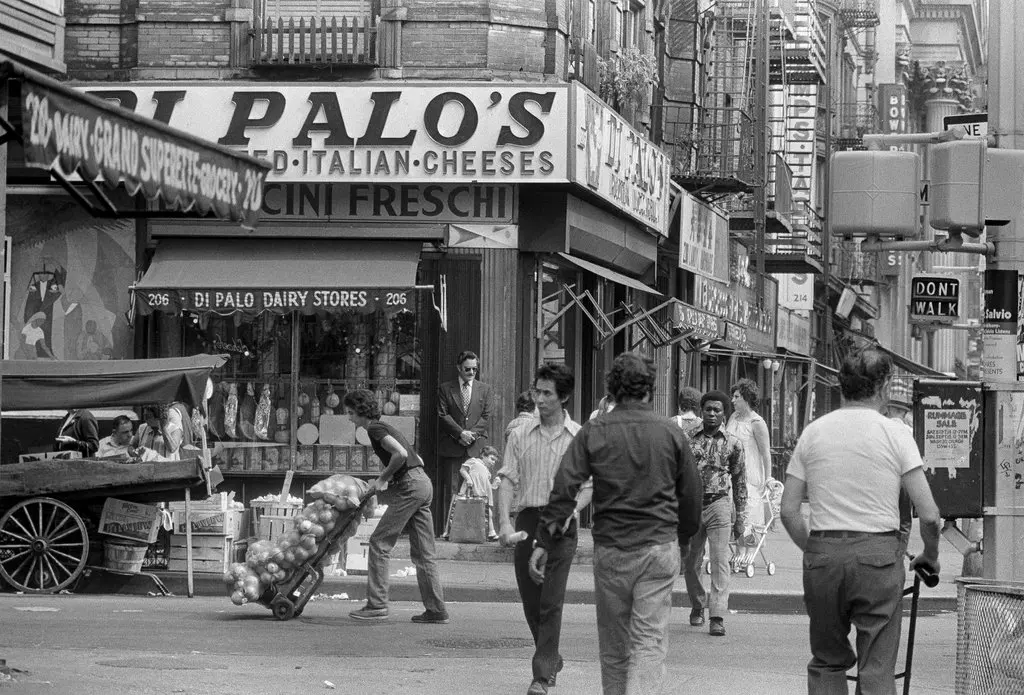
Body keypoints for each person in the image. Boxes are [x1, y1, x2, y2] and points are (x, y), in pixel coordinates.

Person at [780, 348, 941, 694]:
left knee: (826, 661)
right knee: (877, 668)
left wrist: (816, 551)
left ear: (842, 386)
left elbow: (789, 511)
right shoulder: (896, 434)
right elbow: (929, 516)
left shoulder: (813, 433)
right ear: (883, 386)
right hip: (878, 558)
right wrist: (930, 554)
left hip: (823, 554)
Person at [539, 353, 702, 694]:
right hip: (659, 547)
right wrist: (685, 539)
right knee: (648, 642)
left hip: (612, 549)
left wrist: (546, 538)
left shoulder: (595, 431)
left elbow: (564, 486)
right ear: (650, 389)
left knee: (614, 648)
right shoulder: (670, 432)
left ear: (612, 390)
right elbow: (691, 494)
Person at [496, 362, 593, 695]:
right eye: (537, 391)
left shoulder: (579, 437)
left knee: (551, 600)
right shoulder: (520, 434)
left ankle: (541, 676)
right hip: (528, 519)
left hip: (562, 524)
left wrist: (572, 511)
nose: (539, 399)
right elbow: (507, 479)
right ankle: (550, 655)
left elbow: (588, 487)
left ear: (563, 397)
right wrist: (503, 521)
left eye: (547, 393)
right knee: (531, 599)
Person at [343, 389, 449, 624]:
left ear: (360, 411)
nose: (349, 418)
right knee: (424, 553)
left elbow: (399, 454)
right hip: (422, 483)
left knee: (379, 543)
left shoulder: (374, 428)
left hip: (411, 486)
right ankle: (436, 610)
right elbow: (417, 459)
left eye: (350, 413)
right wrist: (390, 478)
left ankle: (377, 605)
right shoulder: (386, 427)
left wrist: (382, 479)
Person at [682, 390, 746, 637]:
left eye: (717, 410)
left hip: (719, 504)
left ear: (724, 414)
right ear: (701, 411)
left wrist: (741, 518)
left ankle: (717, 615)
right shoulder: (687, 439)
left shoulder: (733, 444)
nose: (711, 413)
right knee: (691, 562)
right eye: (708, 409)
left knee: (720, 562)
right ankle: (698, 604)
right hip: (691, 506)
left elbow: (740, 482)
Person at [436, 350, 493, 535]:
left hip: (475, 449)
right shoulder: (446, 388)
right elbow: (442, 414)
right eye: (467, 369)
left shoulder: (485, 389)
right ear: (459, 368)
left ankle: (475, 531)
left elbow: (486, 416)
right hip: (453, 446)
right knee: (453, 490)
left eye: (474, 369)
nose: (471, 372)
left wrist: (471, 435)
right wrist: (460, 433)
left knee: (478, 490)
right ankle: (450, 532)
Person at [727, 378, 773, 565]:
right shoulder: (733, 417)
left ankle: (747, 554)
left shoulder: (757, 422)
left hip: (750, 476)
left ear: (746, 398)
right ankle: (738, 552)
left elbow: (766, 453)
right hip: (731, 474)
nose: (732, 400)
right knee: (734, 516)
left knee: (748, 516)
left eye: (736, 396)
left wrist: (768, 478)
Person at [442, 445, 500, 541]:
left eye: (495, 461)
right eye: (492, 459)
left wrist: (494, 485)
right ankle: (449, 533)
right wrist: (468, 479)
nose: (493, 462)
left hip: (481, 496)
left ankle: (490, 533)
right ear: (483, 455)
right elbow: (462, 470)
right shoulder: (474, 461)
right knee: (459, 511)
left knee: (486, 513)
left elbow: (487, 486)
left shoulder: (487, 472)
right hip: (469, 492)